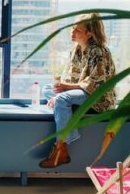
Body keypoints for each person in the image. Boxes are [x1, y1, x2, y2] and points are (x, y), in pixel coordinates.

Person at [39, 13, 116, 168]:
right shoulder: (76, 50)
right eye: (72, 28)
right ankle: (66, 108)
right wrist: (61, 86)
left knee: (61, 99)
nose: (72, 32)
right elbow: (70, 78)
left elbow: (96, 84)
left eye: (77, 30)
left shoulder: (99, 52)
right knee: (47, 89)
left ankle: (61, 149)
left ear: (90, 33)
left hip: (99, 99)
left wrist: (64, 92)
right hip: (81, 93)